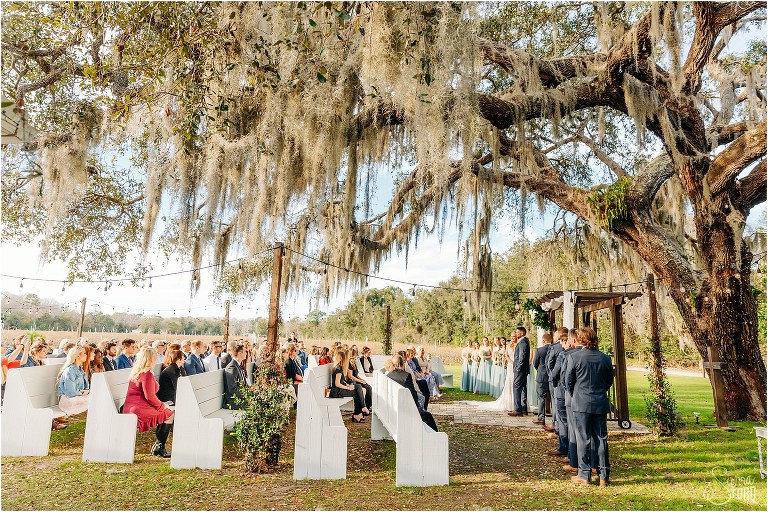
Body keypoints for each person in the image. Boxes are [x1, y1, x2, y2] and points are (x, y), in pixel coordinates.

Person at [565, 327, 612, 486]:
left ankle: (584, 474)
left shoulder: (575, 357)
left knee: (583, 439)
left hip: (580, 403)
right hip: (599, 401)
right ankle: (603, 474)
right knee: (601, 439)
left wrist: (577, 395)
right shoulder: (605, 358)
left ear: (580, 340)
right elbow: (608, 382)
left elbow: (568, 382)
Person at [121, 347, 174, 457]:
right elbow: (149, 396)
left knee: (166, 412)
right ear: (151, 359)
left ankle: (159, 446)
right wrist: (161, 405)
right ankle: (160, 447)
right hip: (138, 409)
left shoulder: (137, 371)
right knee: (169, 415)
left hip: (131, 406)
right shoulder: (147, 374)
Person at [386, 354, 440, 432]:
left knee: (423, 385)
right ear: (402, 364)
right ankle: (435, 437)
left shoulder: (389, 375)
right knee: (427, 416)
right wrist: (417, 407)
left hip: (393, 406)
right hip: (405, 409)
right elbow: (413, 396)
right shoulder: (406, 376)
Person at [552, 329, 580, 471]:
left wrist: (555, 384)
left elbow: (559, 374)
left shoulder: (565, 354)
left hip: (564, 394)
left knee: (565, 422)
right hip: (581, 397)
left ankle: (566, 450)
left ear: (571, 340)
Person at [329, 348, 368, 422]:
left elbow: (342, 381)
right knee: (357, 392)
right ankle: (360, 411)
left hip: (339, 390)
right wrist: (347, 387)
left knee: (358, 387)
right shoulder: (338, 369)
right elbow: (337, 384)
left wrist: (347, 385)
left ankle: (359, 412)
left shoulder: (339, 367)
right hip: (337, 392)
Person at [56, 346, 90, 417]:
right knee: (95, 400)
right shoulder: (70, 370)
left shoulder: (80, 369)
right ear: (77, 355)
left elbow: (86, 387)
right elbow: (70, 392)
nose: (86, 355)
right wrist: (83, 392)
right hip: (68, 400)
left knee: (97, 398)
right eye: (84, 353)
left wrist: (86, 391)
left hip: (78, 398)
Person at [545, 327, 567, 436]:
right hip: (565, 381)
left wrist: (552, 376)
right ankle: (558, 426)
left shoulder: (555, 347)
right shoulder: (570, 346)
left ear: (559, 335)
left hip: (555, 380)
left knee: (556, 403)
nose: (553, 337)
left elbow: (549, 363)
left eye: (555, 335)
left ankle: (556, 426)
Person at [508, 327, 530, 416]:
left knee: (516, 387)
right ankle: (524, 409)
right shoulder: (524, 341)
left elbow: (522, 357)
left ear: (522, 333)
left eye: (517, 332)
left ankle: (518, 409)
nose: (516, 333)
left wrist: (518, 368)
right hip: (522, 369)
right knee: (523, 388)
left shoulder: (523, 342)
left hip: (520, 370)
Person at [532, 333, 553, 426]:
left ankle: (541, 418)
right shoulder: (555, 349)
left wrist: (540, 370)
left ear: (543, 340)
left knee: (541, 398)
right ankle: (555, 421)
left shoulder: (539, 350)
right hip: (552, 376)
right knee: (553, 398)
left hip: (542, 376)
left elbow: (535, 363)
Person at [223, 344, 248, 410]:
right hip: (233, 402)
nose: (246, 353)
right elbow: (232, 389)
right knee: (258, 406)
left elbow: (244, 384)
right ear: (240, 353)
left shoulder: (237, 365)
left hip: (240, 398)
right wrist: (246, 396)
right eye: (245, 351)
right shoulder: (232, 367)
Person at [347, 348, 372, 412]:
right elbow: (350, 376)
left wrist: (362, 379)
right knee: (366, 388)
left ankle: (368, 406)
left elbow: (356, 374)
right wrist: (360, 381)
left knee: (369, 387)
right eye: (355, 354)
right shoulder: (349, 363)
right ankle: (365, 407)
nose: (356, 355)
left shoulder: (354, 362)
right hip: (353, 381)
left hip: (356, 379)